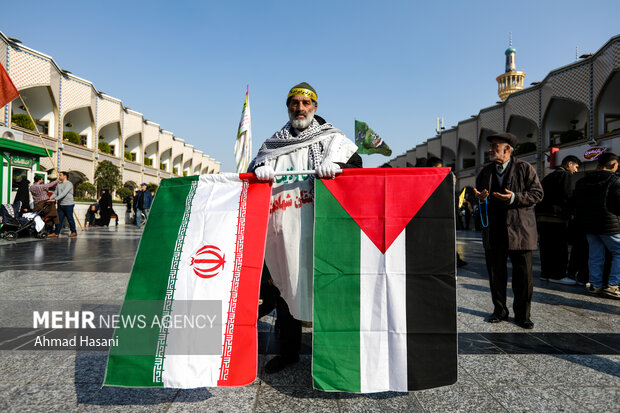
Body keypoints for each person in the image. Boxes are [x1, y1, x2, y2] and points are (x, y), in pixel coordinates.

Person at [250, 82, 361, 373]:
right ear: (288, 107)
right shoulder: (274, 143)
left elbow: (358, 170)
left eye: (305, 103)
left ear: (315, 107)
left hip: (320, 230)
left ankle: (330, 351)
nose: (300, 108)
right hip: (285, 231)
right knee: (286, 287)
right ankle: (288, 352)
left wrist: (339, 168)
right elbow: (253, 170)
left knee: (324, 289)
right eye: (294, 103)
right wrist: (257, 171)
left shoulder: (333, 140)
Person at [474, 132, 543, 329]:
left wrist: (514, 197)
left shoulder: (524, 168)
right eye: (490, 147)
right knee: (496, 275)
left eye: (495, 146)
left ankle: (523, 315)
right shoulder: (485, 172)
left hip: (520, 231)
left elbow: (537, 194)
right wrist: (481, 198)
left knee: (523, 276)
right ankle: (499, 311)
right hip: (494, 232)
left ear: (507, 149)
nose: (490, 150)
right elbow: (478, 197)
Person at [574, 152, 620, 299]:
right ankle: (613, 285)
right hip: (609, 224)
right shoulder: (615, 180)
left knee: (595, 254)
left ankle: (595, 285)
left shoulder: (582, 181)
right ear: (613, 165)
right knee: (618, 252)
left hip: (588, 224)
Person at [535, 155, 581, 285]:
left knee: (546, 247)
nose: (576, 171)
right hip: (556, 217)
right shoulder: (565, 175)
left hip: (543, 217)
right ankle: (558, 275)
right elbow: (567, 195)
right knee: (559, 248)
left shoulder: (549, 176)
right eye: (576, 167)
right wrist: (572, 210)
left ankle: (546, 273)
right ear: (569, 164)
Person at [48, 171, 77, 238]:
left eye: (60, 175)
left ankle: (74, 232)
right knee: (59, 219)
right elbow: (55, 193)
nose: (59, 176)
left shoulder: (69, 184)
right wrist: (49, 198)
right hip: (60, 204)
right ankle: (56, 232)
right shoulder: (59, 184)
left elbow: (64, 193)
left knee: (70, 218)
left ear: (65, 176)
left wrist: (55, 199)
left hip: (69, 204)